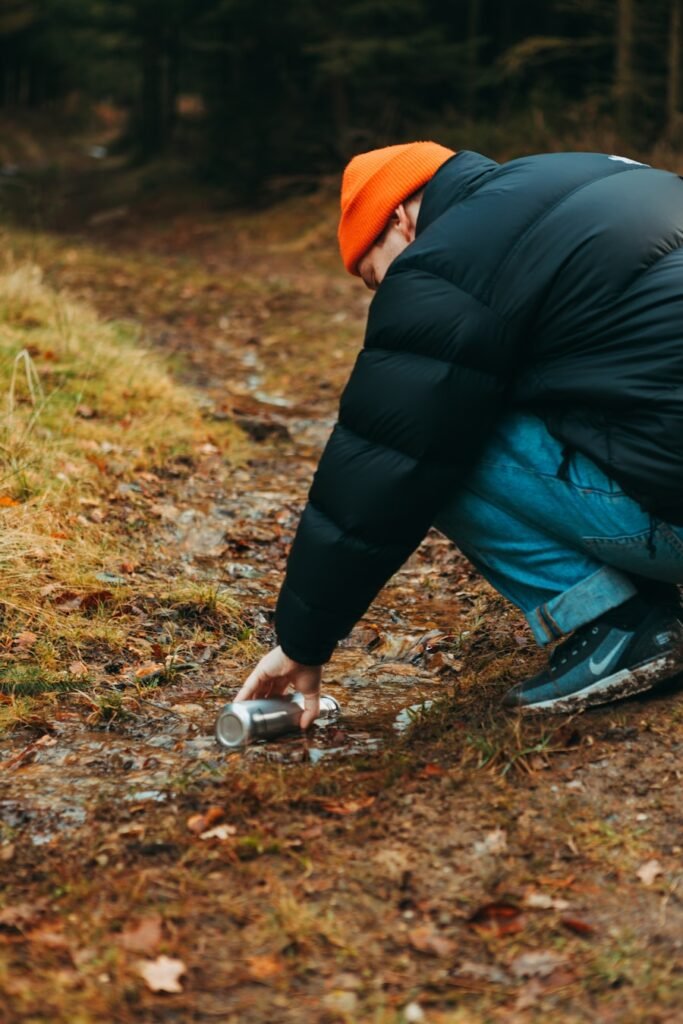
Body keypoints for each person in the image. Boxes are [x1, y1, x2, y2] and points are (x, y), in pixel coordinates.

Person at [235, 141, 683, 726]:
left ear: (398, 219)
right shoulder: (589, 173)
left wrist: (302, 643)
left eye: (376, 276)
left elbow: (384, 465)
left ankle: (618, 628)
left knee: (437, 435)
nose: (385, 293)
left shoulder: (448, 258)